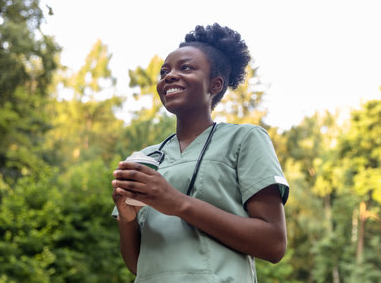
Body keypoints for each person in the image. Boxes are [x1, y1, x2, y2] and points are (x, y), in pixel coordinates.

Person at [111, 23, 289, 283]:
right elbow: (137, 264)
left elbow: (274, 245)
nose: (169, 76)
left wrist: (178, 203)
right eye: (164, 71)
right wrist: (126, 219)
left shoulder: (245, 139)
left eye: (186, 68)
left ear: (215, 84)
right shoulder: (145, 159)